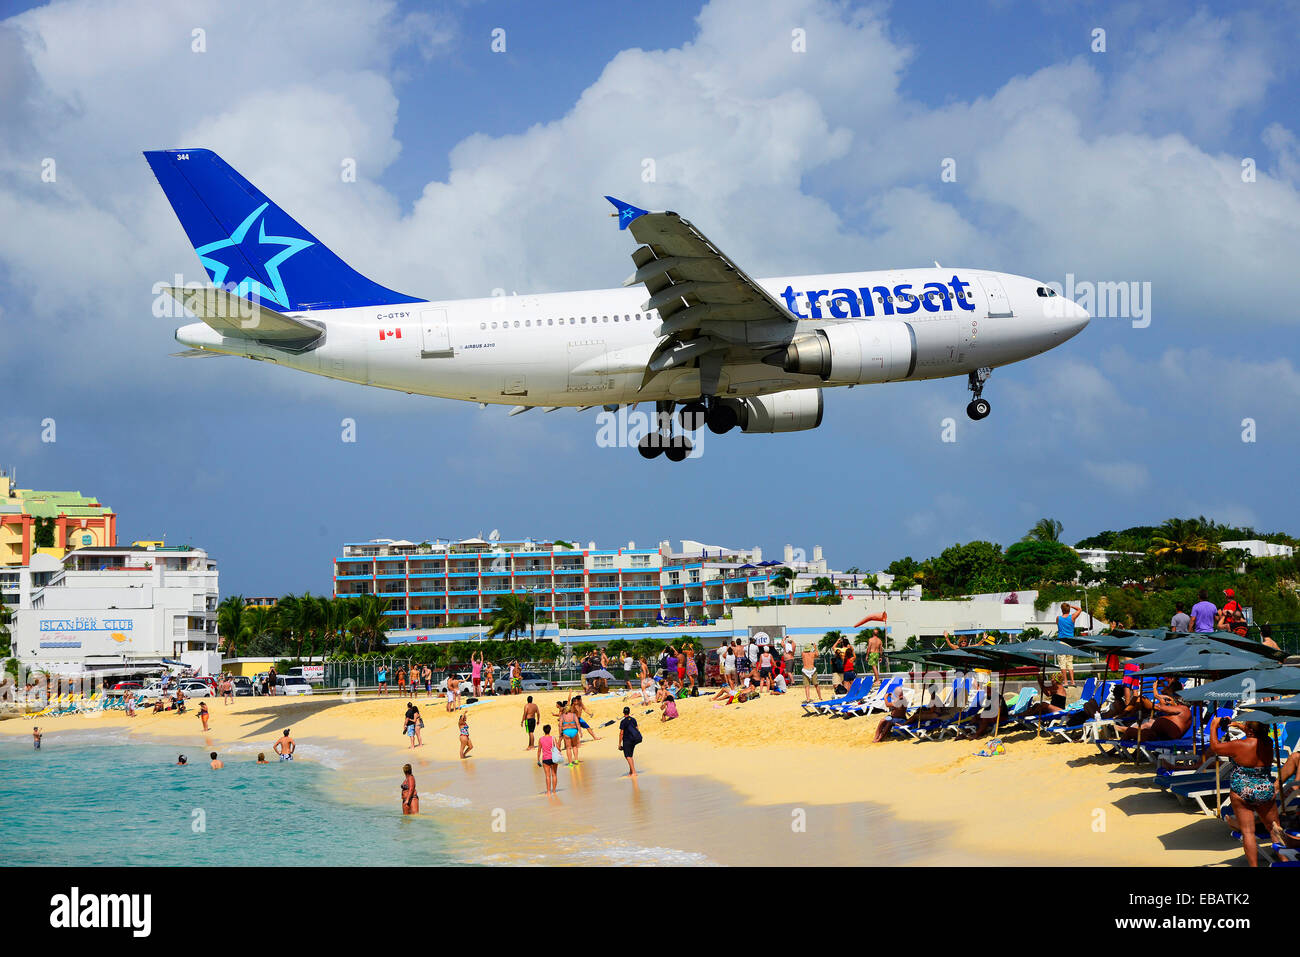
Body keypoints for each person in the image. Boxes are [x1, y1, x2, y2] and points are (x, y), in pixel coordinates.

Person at [1208, 715, 1278, 867]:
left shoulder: (1239, 745)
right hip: (1264, 788)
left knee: (1248, 832)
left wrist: (1214, 726)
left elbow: (1215, 747)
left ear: (1250, 731)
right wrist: (1241, 726)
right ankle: (1284, 860)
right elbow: (1256, 734)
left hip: (1241, 790)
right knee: (1274, 829)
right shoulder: (1268, 742)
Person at [618, 706, 640, 775]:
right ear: (629, 712)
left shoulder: (623, 722)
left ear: (623, 713)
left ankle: (634, 772)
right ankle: (631, 772)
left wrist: (619, 744)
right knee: (630, 756)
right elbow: (637, 729)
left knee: (627, 756)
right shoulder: (633, 719)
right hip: (634, 740)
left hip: (627, 740)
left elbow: (621, 733)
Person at [537, 724, 559, 794]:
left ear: (544, 731)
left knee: (547, 776)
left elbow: (539, 750)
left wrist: (538, 760)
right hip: (554, 758)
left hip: (545, 759)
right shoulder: (553, 738)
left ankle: (548, 791)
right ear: (550, 730)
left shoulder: (541, 739)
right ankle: (554, 791)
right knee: (554, 775)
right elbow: (558, 748)